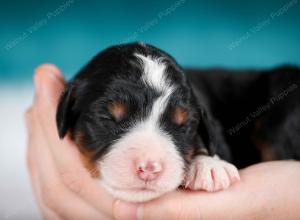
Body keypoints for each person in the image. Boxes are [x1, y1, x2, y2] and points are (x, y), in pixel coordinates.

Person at [25, 64, 300, 220]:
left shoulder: (196, 112)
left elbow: (214, 146)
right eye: (110, 121)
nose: (148, 164)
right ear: (66, 114)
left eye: (180, 127)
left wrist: (204, 159)